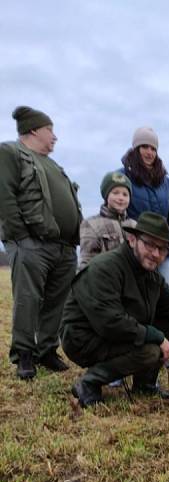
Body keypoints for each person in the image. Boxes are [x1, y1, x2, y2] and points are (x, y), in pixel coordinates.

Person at [61, 212, 169, 408]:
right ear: (132, 239)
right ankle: (89, 383)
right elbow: (109, 322)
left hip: (112, 331)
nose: (156, 254)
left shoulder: (150, 275)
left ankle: (144, 384)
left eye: (162, 249)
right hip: (83, 338)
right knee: (151, 350)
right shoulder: (106, 268)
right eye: (150, 245)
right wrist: (156, 336)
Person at [0, 105, 81, 379]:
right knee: (28, 298)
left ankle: (46, 350)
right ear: (34, 129)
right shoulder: (11, 152)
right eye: (50, 130)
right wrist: (19, 237)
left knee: (57, 301)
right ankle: (24, 354)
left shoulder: (53, 164)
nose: (55, 136)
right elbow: (5, 196)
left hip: (63, 246)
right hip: (31, 242)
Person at [119, 127, 169, 290]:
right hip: (137, 252)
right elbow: (117, 213)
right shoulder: (122, 177)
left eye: (153, 148)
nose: (149, 152)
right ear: (136, 149)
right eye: (144, 147)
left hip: (165, 253)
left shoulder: (165, 182)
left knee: (166, 298)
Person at [79, 171, 133, 270]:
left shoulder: (134, 226)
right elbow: (87, 261)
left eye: (125, 194)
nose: (121, 198)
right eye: (115, 193)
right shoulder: (91, 224)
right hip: (105, 279)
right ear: (106, 195)